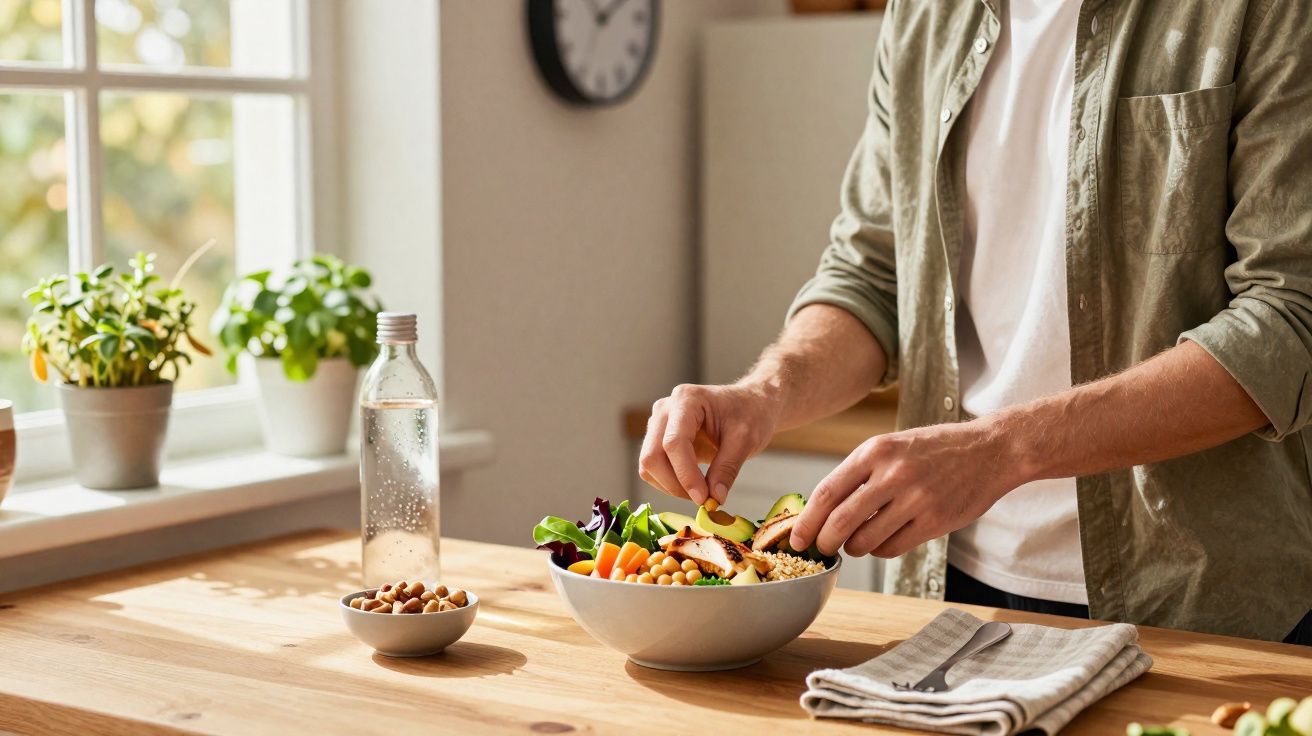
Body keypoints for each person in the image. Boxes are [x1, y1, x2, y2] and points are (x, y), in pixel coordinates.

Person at [638, 0, 1312, 644]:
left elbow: (1288, 321)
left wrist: (1000, 452)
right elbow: (875, 275)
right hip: (945, 591)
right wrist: (768, 391)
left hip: (1199, 602)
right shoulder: (927, 13)